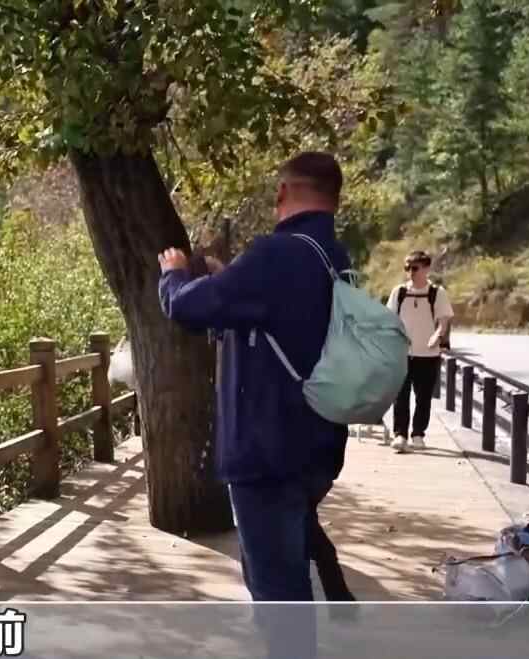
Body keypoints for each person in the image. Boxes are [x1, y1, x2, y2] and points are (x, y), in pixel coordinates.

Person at [158, 152, 356, 655]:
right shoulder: (334, 256)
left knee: (277, 589)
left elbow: (189, 307)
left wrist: (174, 274)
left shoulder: (275, 254)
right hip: (317, 443)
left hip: (268, 449)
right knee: (285, 571)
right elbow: (278, 318)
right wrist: (229, 277)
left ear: (283, 192)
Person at [386, 250, 454, 453]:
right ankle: (400, 435)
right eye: (407, 268)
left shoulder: (437, 293)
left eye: (414, 268)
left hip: (428, 354)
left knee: (423, 397)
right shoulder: (399, 292)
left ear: (426, 268)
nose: (410, 272)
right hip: (402, 353)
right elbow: (389, 319)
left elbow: (443, 322)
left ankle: (418, 434)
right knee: (400, 396)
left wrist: (437, 336)